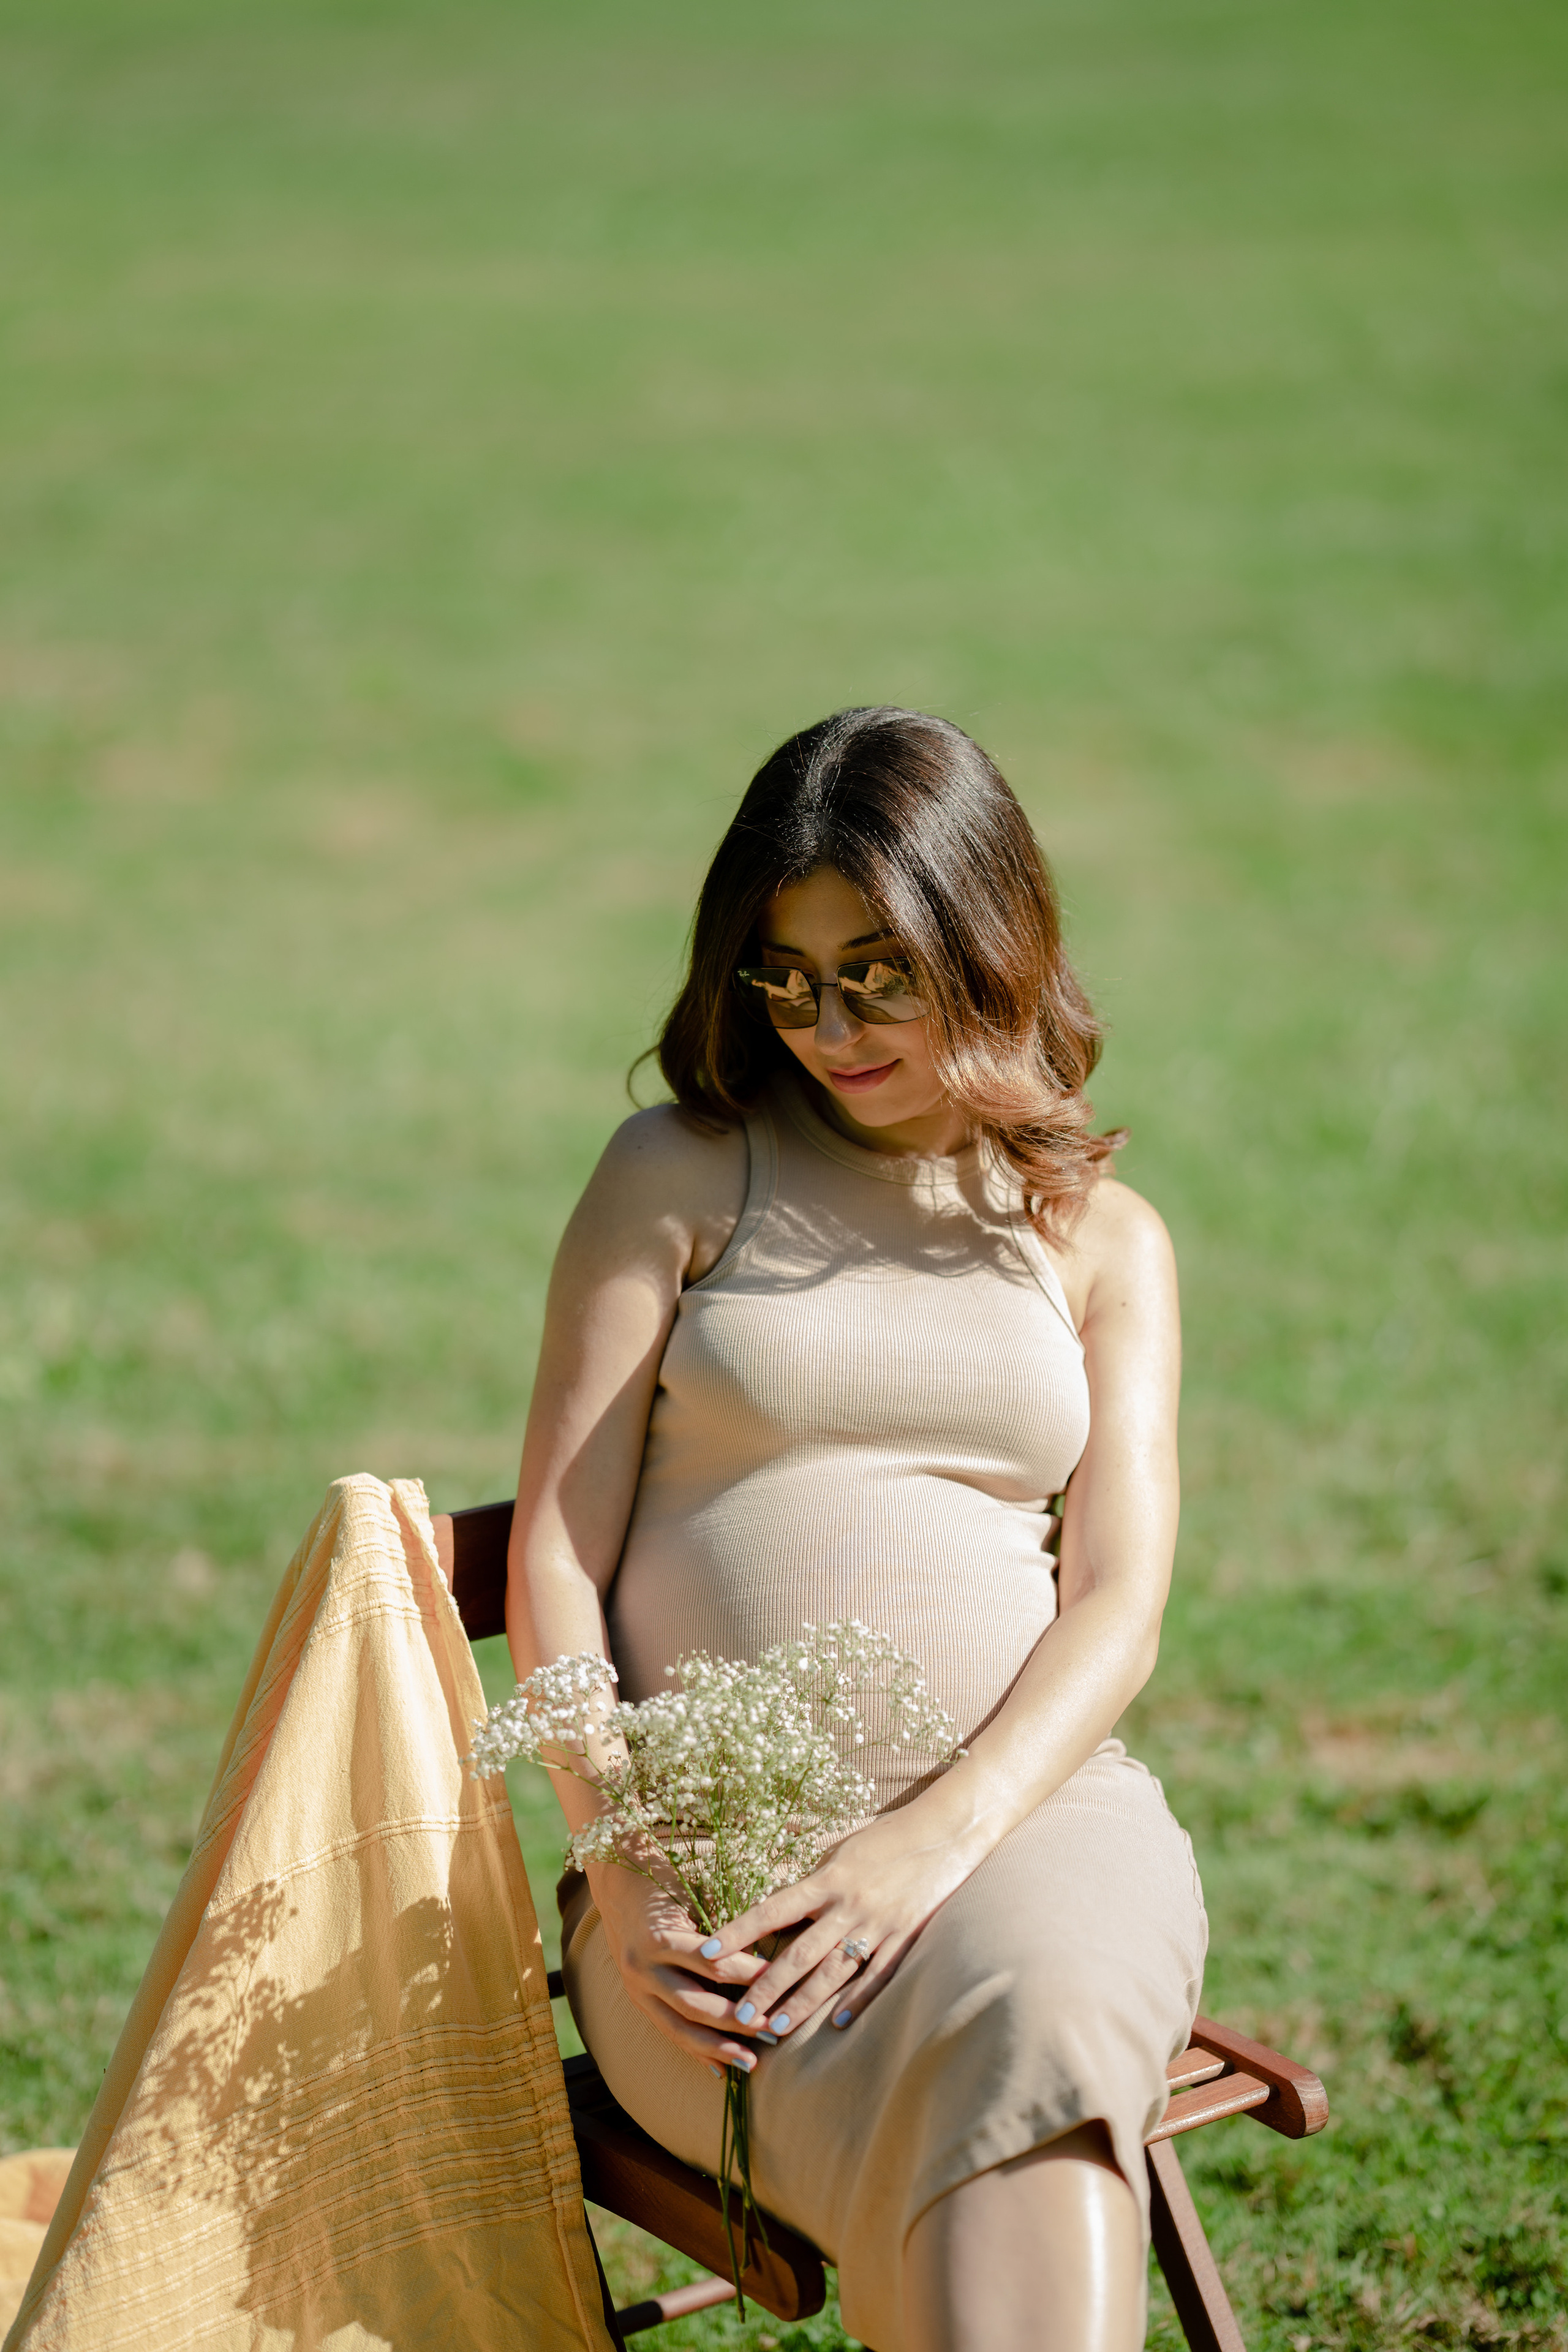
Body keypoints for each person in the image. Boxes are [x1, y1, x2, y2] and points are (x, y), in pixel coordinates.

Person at [439, 708, 1207, 2352]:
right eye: (786, 978)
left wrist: (930, 1845)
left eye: (879, 971)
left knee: (1044, 2031)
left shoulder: (1100, 1239)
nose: (829, 1026)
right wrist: (625, 1856)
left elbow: (1117, 1602)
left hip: (1024, 1833)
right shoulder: (683, 1170)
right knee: (1011, 2135)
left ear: (990, 941)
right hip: (710, 1879)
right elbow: (558, 1557)